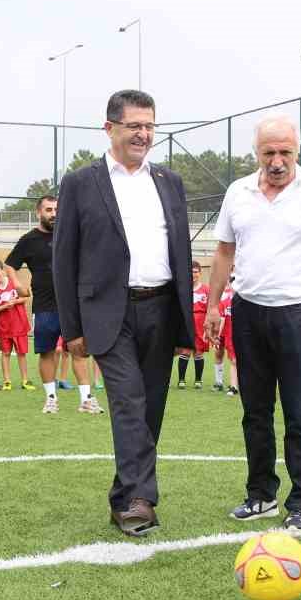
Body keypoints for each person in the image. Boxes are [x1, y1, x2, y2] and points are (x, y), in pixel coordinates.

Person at [54, 89, 195, 536]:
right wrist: (71, 327)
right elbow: (64, 258)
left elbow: (180, 250)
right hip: (107, 315)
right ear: (109, 128)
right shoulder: (80, 183)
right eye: (134, 125)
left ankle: (122, 497)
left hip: (162, 308)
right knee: (129, 402)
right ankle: (140, 500)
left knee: (150, 408)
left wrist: (185, 320)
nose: (143, 133)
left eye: (150, 125)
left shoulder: (170, 182)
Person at [203, 115, 301, 533]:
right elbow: (224, 254)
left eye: (285, 152)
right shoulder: (238, 192)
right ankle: (261, 494)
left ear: (297, 151)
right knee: (255, 411)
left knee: (300, 412)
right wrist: (214, 306)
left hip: (299, 314)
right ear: (257, 153)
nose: (278, 161)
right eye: (269, 153)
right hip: (248, 311)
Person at [6, 196, 93, 412]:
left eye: (56, 210)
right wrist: (17, 284)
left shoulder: (70, 236)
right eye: (48, 210)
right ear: (39, 213)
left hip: (72, 306)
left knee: (79, 350)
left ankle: (86, 400)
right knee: (46, 353)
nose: (54, 214)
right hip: (44, 306)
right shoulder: (29, 240)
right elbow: (9, 265)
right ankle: (51, 399)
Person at [0, 261, 32, 390]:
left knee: (21, 353)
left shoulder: (13, 282)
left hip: (19, 324)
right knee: (6, 353)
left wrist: (15, 301)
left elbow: (26, 297)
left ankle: (25, 381)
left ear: (2, 270)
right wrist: (4, 306)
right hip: (4, 326)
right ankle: (7, 381)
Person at [176, 260, 208, 389]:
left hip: (201, 321)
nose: (193, 274)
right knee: (185, 350)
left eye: (195, 272)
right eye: (191, 272)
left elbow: (209, 307)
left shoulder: (206, 289)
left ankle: (198, 380)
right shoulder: (184, 289)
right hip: (187, 320)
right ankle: (181, 380)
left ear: (200, 273)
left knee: (198, 352)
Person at [217, 275, 239, 395]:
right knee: (234, 361)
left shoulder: (249, 302)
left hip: (247, 335)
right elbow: (222, 319)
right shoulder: (226, 302)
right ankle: (233, 386)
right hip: (231, 335)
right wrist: (217, 336)